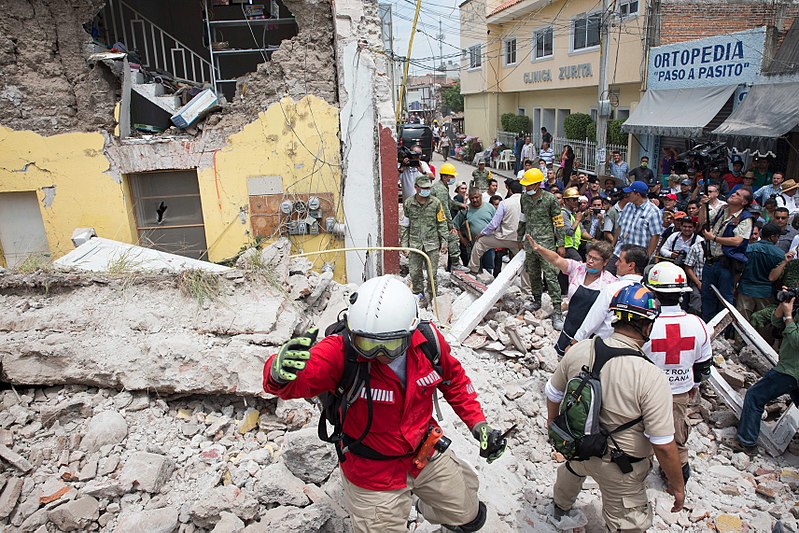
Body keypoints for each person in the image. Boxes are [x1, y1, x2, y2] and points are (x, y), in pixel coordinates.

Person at [263, 276, 508, 532]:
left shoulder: (428, 343)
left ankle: (423, 503)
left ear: (410, 330)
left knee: (471, 515)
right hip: (373, 473)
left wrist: (478, 424)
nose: (378, 354)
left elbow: (454, 381)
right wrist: (276, 372)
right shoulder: (340, 351)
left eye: (389, 345)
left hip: (425, 453)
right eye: (367, 344)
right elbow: (299, 377)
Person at [547, 284, 684, 531]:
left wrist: (555, 429)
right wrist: (678, 485)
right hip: (621, 467)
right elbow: (663, 444)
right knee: (628, 524)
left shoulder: (580, 349)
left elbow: (553, 392)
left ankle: (560, 506)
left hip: (577, 449)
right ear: (647, 326)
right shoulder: (651, 375)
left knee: (571, 471)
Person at [642, 263, 712, 483]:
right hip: (678, 393)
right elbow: (703, 367)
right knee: (675, 437)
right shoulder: (697, 324)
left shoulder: (645, 324)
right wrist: (693, 385)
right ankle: (676, 479)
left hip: (645, 391)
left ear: (652, 292)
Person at [729, 294, 798, 454]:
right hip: (791, 368)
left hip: (790, 370)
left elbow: (796, 341)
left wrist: (788, 316)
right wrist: (783, 306)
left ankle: (746, 442)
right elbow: (775, 322)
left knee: (754, 396)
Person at [527, 237, 616, 355]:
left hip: (591, 335)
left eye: (595, 259)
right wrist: (540, 249)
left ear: (605, 262)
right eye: (589, 256)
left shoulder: (610, 283)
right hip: (570, 327)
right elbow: (557, 259)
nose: (589, 261)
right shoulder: (578, 269)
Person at [517, 168, 566, 329]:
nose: (527, 188)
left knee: (551, 278)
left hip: (547, 246)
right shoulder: (524, 198)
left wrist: (561, 244)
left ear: (538, 184)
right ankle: (537, 300)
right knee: (533, 274)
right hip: (530, 245)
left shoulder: (550, 200)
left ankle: (557, 311)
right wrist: (519, 237)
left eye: (529, 185)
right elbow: (523, 218)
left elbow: (558, 223)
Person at [571, 244, 648, 344]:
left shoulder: (612, 288)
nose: (616, 264)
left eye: (620, 260)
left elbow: (594, 319)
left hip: (603, 343)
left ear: (631, 266)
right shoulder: (647, 293)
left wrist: (575, 341)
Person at [699, 189, 754, 321]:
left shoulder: (745, 218)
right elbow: (702, 220)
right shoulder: (722, 209)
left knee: (725, 299)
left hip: (727, 263)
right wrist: (703, 206)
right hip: (711, 260)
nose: (733, 194)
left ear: (744, 202)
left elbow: (737, 241)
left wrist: (714, 238)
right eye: (734, 193)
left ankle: (722, 331)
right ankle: (708, 328)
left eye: (738, 195)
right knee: (707, 296)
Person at [469, 189, 530, 292]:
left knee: (480, 242)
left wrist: (482, 233)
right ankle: (527, 289)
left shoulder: (505, 203)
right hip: (520, 240)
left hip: (505, 237)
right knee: (524, 262)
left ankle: (473, 270)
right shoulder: (528, 202)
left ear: (510, 190)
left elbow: (494, 223)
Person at [400, 176, 449, 304]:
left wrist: (444, 241)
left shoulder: (436, 203)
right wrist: (404, 245)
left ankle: (433, 298)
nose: (427, 190)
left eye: (428, 188)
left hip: (432, 244)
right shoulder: (409, 204)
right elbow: (405, 225)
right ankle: (419, 297)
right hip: (415, 244)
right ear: (416, 188)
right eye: (424, 188)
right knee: (415, 273)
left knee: (432, 275)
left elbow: (442, 223)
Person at [737, 222, 794, 323]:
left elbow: (738, 271)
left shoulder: (747, 249)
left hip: (745, 291)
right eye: (777, 236)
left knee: (742, 324)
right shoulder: (779, 254)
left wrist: (734, 287)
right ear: (772, 237)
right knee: (762, 325)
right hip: (765, 294)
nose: (778, 239)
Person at [609, 181, 663, 275]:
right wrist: (612, 246)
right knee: (608, 274)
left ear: (637, 194)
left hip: (637, 256)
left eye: (630, 193)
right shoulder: (628, 206)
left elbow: (656, 236)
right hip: (620, 251)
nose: (627, 195)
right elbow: (620, 227)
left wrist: (647, 257)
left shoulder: (653, 211)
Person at [433, 163, 470, 273]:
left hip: (437, 218)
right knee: (453, 236)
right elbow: (444, 208)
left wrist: (460, 205)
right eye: (451, 176)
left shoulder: (443, 187)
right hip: (436, 220)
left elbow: (449, 202)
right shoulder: (440, 189)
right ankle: (455, 264)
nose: (453, 178)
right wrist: (451, 225)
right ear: (444, 177)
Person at [453, 188, 496, 271]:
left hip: (488, 246)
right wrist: (463, 240)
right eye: (472, 198)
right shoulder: (465, 210)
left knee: (488, 270)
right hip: (473, 247)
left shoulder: (490, 207)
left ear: (481, 196)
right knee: (473, 270)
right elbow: (455, 226)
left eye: (476, 197)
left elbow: (496, 223)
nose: (474, 200)